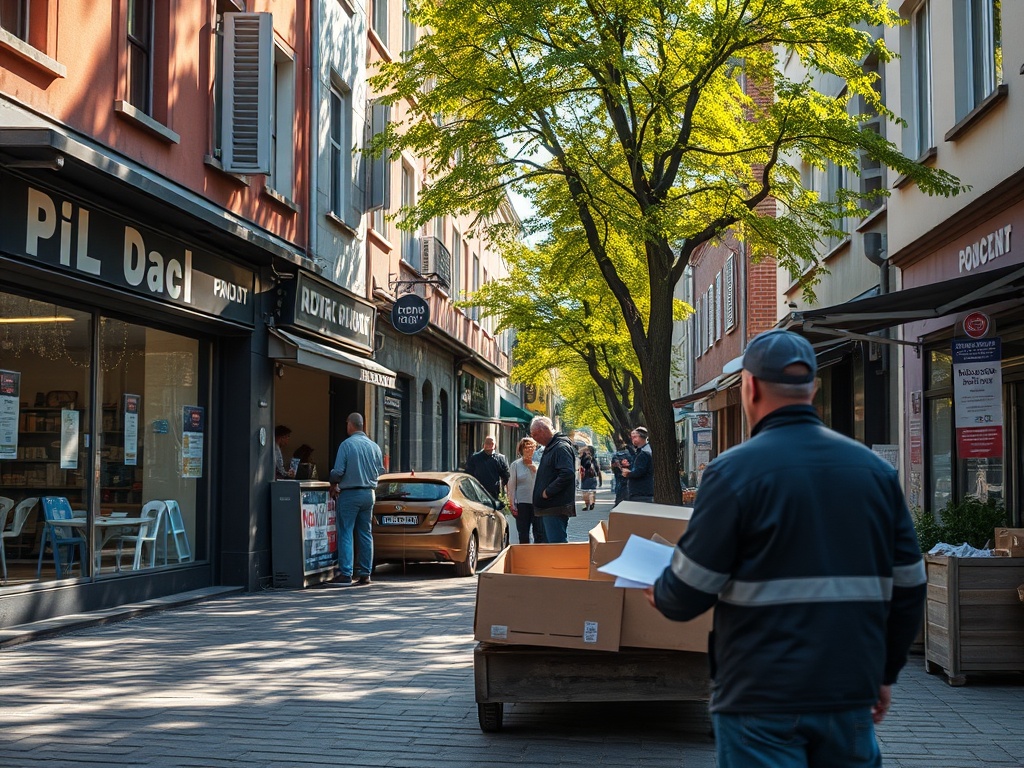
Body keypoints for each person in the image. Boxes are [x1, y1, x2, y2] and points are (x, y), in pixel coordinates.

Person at [646, 329, 927, 768]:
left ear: (751, 387)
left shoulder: (731, 473)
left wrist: (662, 592)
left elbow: (688, 593)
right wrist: (884, 672)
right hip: (848, 690)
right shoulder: (875, 473)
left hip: (760, 692)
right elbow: (910, 586)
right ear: (811, 389)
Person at [329, 413, 385, 586]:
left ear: (350, 425)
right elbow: (381, 470)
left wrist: (333, 481)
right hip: (369, 494)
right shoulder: (374, 446)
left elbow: (338, 471)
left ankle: (346, 573)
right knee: (365, 533)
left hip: (350, 494)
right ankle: (365, 573)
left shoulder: (347, 445)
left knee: (346, 531)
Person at [529, 416, 577, 543]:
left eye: (535, 434)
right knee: (550, 546)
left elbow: (567, 473)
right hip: (549, 507)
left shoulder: (560, 447)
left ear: (544, 430)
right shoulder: (552, 447)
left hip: (554, 507)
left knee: (557, 546)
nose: (533, 438)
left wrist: (548, 492)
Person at [505, 437, 545, 544]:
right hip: (522, 503)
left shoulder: (540, 463)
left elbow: (543, 482)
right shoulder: (516, 465)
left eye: (532, 447)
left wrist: (534, 469)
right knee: (523, 533)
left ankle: (538, 553)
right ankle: (525, 552)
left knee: (539, 533)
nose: (529, 450)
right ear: (521, 450)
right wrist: (512, 503)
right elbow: (512, 485)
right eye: (526, 448)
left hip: (537, 503)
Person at [465, 435, 511, 500]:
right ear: (483, 445)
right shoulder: (475, 458)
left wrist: (508, 494)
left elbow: (506, 477)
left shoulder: (500, 459)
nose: (489, 445)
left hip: (494, 494)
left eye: (492, 443)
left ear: (495, 445)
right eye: (487, 443)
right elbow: (468, 475)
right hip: (477, 493)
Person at [621, 426, 653, 502]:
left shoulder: (645, 452)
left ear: (643, 437)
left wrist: (628, 473)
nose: (633, 439)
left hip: (642, 491)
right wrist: (628, 466)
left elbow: (640, 471)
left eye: (635, 437)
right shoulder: (639, 451)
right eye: (632, 437)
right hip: (640, 491)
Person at [610, 438, 634, 506]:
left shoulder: (615, 456)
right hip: (629, 475)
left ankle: (618, 503)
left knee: (619, 490)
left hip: (620, 476)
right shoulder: (631, 454)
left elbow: (614, 468)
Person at [578, 446, 602, 511]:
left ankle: (585, 506)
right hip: (593, 477)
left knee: (584, 493)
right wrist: (600, 480)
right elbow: (598, 470)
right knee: (592, 492)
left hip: (585, 478)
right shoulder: (594, 460)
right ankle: (592, 503)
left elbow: (579, 451)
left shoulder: (583, 458)